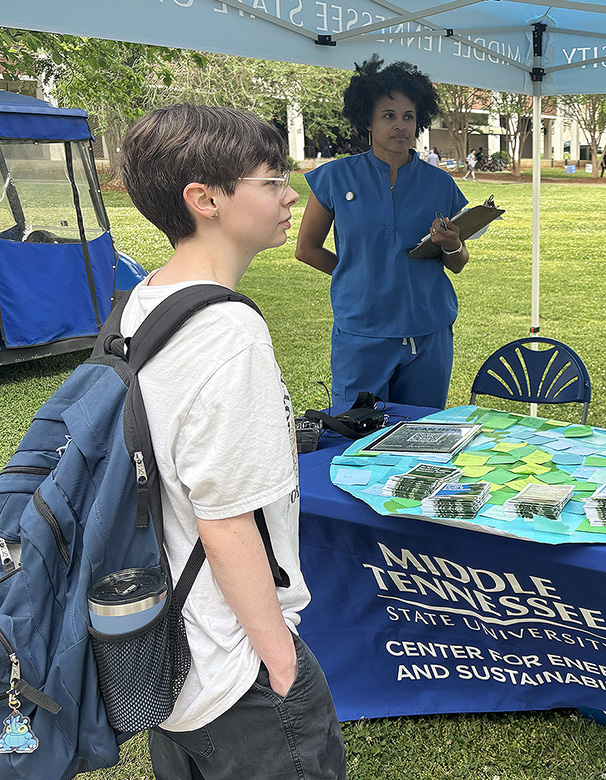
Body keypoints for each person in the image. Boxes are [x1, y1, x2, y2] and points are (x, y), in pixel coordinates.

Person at [119, 104, 346, 780]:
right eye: (271, 180)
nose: (290, 196)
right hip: (234, 668)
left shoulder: (142, 301)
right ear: (205, 200)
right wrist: (278, 660)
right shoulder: (228, 335)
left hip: (165, 656)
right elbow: (225, 521)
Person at [296, 57, 469, 408]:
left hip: (428, 332)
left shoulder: (440, 184)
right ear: (368, 122)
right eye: (388, 116)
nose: (400, 126)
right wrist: (357, 274)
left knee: (421, 436)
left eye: (408, 117)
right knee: (356, 438)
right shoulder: (334, 178)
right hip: (362, 332)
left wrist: (451, 244)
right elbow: (307, 248)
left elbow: (459, 263)